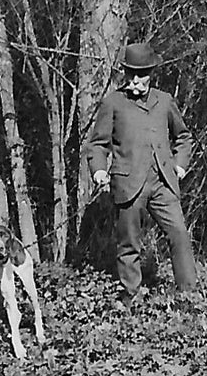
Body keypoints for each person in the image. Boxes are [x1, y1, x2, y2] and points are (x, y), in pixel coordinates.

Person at [85, 41, 198, 305]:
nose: (137, 80)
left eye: (142, 74)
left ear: (151, 73)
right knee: (129, 242)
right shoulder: (112, 102)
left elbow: (183, 136)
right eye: (132, 74)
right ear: (124, 73)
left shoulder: (165, 101)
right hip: (128, 183)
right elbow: (97, 144)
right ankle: (131, 295)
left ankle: (190, 295)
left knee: (179, 233)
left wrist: (179, 165)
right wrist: (99, 170)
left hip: (163, 182)